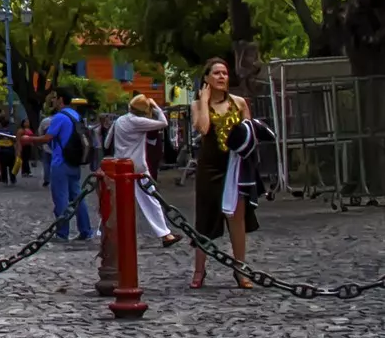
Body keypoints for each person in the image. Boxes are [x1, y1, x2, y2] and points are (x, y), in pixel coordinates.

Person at [190, 58, 258, 289]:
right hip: (209, 167)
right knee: (205, 218)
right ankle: (199, 270)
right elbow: (204, 128)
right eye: (216, 73)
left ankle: (240, 270)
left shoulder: (239, 103)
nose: (221, 77)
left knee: (236, 218)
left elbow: (249, 132)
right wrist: (204, 101)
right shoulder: (199, 104)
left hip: (234, 166)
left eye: (225, 73)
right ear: (206, 78)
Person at [109, 94, 178, 248]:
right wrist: (155, 106)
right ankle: (165, 234)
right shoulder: (137, 121)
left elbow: (108, 141)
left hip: (119, 164)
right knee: (150, 200)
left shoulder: (120, 120)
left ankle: (103, 231)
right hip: (137, 166)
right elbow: (163, 123)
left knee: (114, 200)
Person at [42, 90, 95, 241]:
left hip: (61, 162)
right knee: (78, 197)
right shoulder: (76, 115)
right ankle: (85, 230)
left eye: (54, 98)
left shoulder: (59, 117)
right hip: (74, 162)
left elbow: (47, 137)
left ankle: (62, 232)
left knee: (61, 198)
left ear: (60, 99)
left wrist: (29, 140)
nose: (52, 101)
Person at [0, 109, 17, 184]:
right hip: (10, 150)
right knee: (12, 165)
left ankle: (4, 179)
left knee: (3, 166)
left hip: (2, 151)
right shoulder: (11, 132)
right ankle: (13, 178)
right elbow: (14, 140)